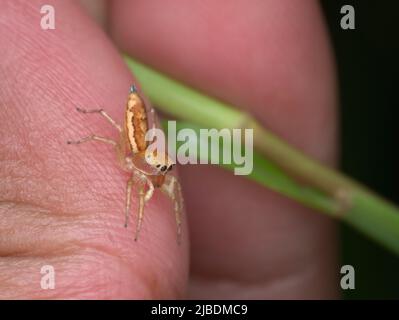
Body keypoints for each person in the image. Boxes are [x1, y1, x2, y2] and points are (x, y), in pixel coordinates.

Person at [0, 0, 337, 299]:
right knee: (110, 145)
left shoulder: (153, 170)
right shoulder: (134, 159)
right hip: (132, 130)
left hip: (140, 135)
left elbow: (156, 174)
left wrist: (168, 212)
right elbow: (129, 162)